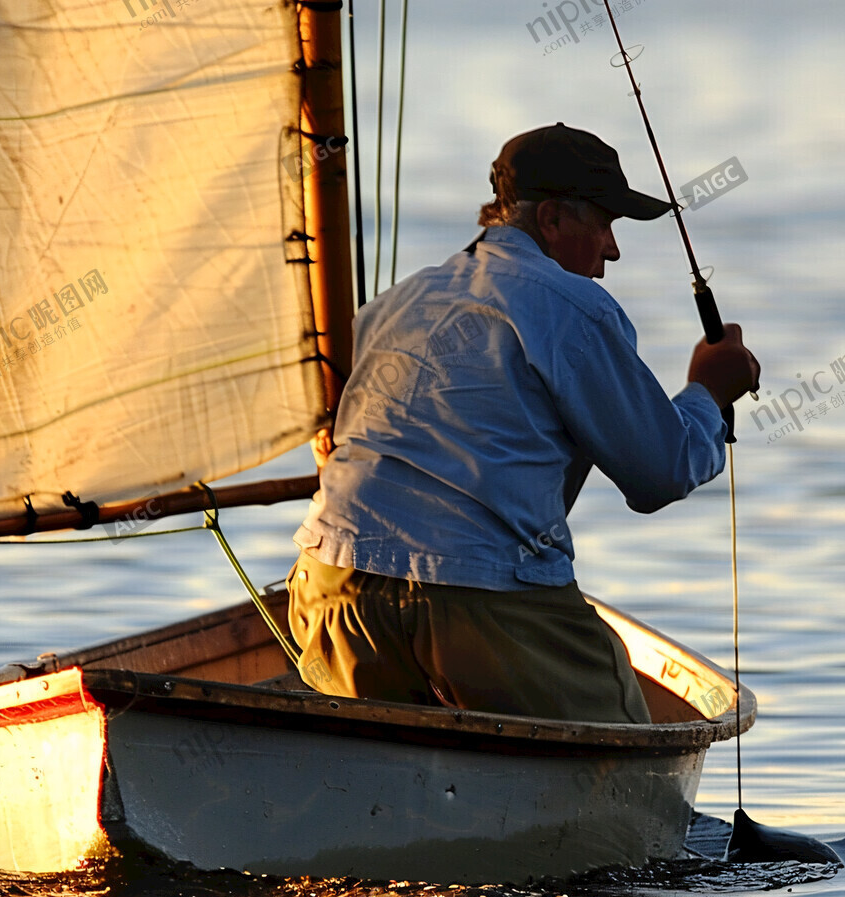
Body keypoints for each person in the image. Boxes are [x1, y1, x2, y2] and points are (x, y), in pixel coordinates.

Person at [287, 122, 760, 724]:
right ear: (555, 219)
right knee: (618, 741)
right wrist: (708, 392)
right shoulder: (571, 306)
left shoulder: (396, 302)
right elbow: (661, 473)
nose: (612, 250)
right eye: (606, 224)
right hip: (478, 597)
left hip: (331, 584)